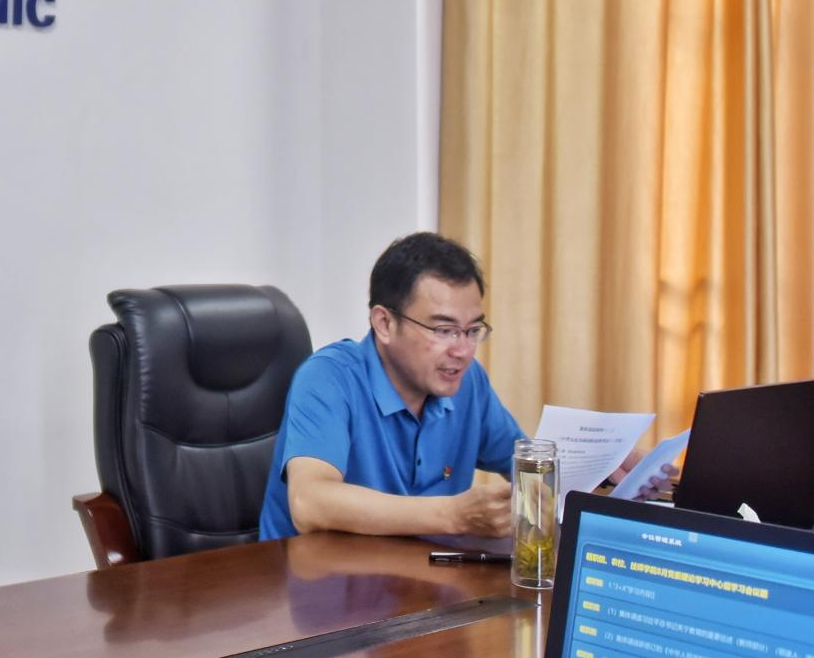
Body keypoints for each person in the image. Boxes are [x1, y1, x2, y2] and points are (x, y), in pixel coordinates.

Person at [258, 232, 671, 541]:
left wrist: (603, 471)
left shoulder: (467, 383)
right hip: (311, 599)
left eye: (473, 330)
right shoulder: (329, 377)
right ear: (384, 323)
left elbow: (524, 470)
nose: (462, 350)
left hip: (414, 590)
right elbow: (310, 502)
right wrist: (453, 516)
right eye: (443, 330)